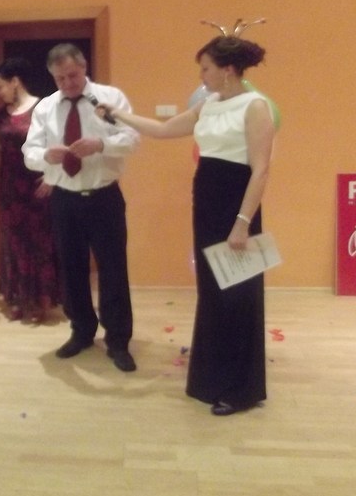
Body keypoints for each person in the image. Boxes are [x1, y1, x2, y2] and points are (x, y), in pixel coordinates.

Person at [96, 35, 274, 413]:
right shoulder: (208, 105)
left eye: (206, 69)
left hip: (236, 206)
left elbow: (260, 170)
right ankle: (210, 380)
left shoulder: (255, 106)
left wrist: (242, 223)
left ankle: (240, 390)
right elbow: (162, 129)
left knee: (238, 296)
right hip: (206, 203)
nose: (201, 76)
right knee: (212, 294)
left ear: (228, 70)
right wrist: (117, 115)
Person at [22, 43, 140, 372]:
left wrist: (101, 144)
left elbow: (133, 139)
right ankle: (82, 331)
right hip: (65, 199)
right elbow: (29, 152)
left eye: (72, 75)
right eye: (60, 78)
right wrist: (46, 155)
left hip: (104, 197)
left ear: (84, 66)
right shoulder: (45, 108)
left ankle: (118, 340)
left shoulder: (110, 98)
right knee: (71, 269)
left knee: (113, 270)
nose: (68, 83)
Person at [0, 57, 61, 323]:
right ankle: (18, 298)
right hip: (9, 186)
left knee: (39, 240)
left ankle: (39, 301)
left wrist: (52, 178)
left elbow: (57, 144)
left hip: (37, 184)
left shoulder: (43, 107)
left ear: (15, 82)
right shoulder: (1, 115)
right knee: (13, 241)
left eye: (1, 86)